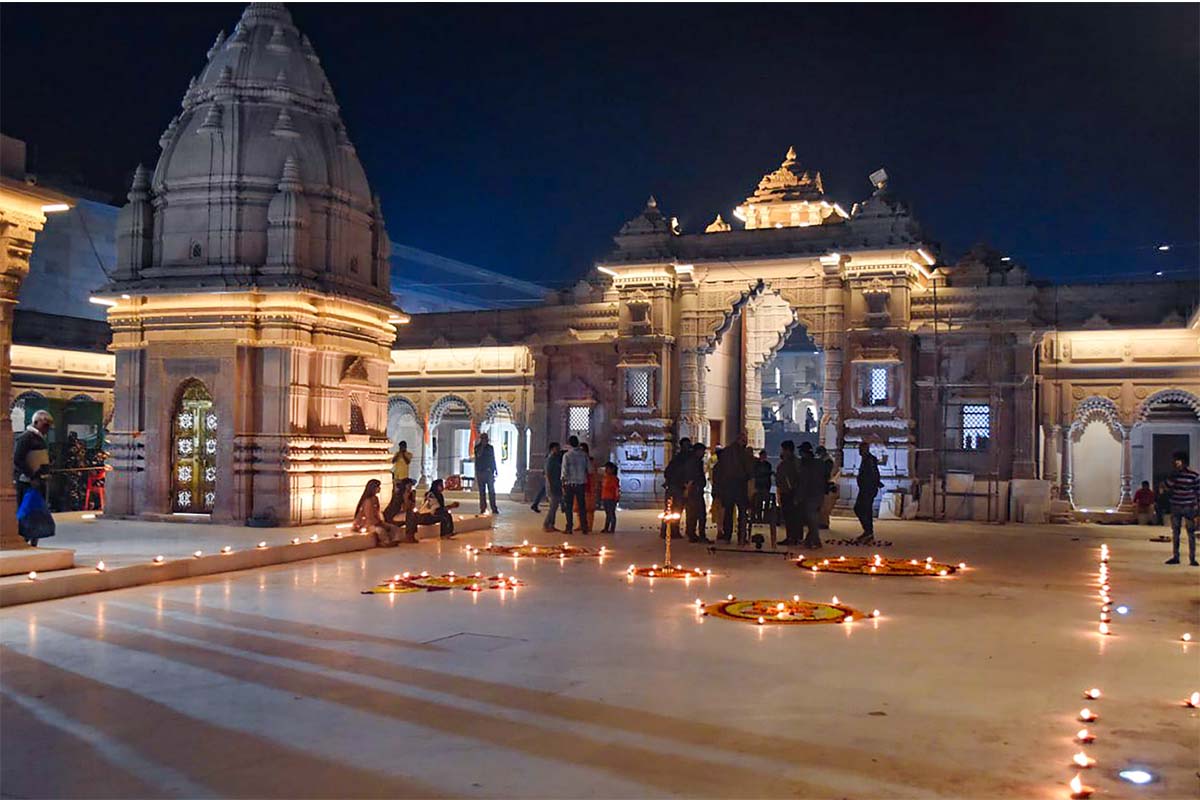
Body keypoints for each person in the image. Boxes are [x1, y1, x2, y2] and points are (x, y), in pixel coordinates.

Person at [14, 409, 53, 540]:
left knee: (36, 510)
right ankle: (24, 535)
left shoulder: (39, 438)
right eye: (45, 425)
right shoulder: (26, 437)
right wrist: (31, 475)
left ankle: (33, 536)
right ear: (36, 422)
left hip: (39, 480)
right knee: (26, 510)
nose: (47, 429)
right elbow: (18, 459)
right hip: (27, 481)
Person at [715, 431, 754, 544]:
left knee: (728, 512)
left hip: (728, 487)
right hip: (740, 486)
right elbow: (749, 470)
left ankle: (727, 536)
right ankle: (741, 537)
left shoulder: (726, 452)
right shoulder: (743, 453)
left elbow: (719, 470)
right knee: (742, 512)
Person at [1163, 451, 1199, 566]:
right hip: (1178, 506)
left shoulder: (1193, 475)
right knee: (1176, 533)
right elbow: (1167, 486)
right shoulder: (1175, 474)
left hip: (1187, 506)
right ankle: (1176, 556)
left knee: (1190, 533)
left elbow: (1198, 491)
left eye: (1176, 460)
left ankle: (1192, 558)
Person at [353, 479, 403, 546]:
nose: (380, 488)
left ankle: (394, 541)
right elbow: (369, 516)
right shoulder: (368, 501)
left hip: (376, 522)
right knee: (380, 530)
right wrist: (379, 524)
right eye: (378, 487)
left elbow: (377, 513)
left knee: (394, 528)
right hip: (367, 524)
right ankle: (385, 542)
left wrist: (381, 522)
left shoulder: (375, 499)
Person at [797, 442, 827, 549]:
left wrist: (799, 496)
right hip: (819, 493)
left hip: (810, 494)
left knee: (812, 518)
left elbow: (804, 482)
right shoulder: (819, 463)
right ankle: (810, 540)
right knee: (813, 517)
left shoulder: (806, 465)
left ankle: (815, 540)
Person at [660, 437, 691, 539]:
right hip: (678, 486)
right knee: (676, 510)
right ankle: (672, 530)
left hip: (673, 486)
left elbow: (668, 472)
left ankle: (666, 531)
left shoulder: (677, 458)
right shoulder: (684, 459)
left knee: (670, 510)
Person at [854, 441, 882, 544]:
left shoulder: (869, 460)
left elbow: (873, 475)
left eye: (861, 449)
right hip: (865, 489)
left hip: (867, 489)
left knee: (861, 509)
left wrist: (873, 486)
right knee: (865, 510)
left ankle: (868, 531)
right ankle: (868, 531)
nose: (859, 451)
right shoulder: (866, 459)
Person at [561, 435, 590, 534]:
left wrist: (563, 482)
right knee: (582, 506)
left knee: (568, 506)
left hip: (570, 483)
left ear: (569, 444)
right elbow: (589, 469)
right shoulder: (584, 455)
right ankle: (584, 527)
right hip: (581, 483)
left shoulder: (567, 456)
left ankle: (569, 527)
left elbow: (564, 471)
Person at [775, 440, 802, 546]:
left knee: (791, 516)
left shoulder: (792, 463)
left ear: (787, 450)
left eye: (783, 449)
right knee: (789, 516)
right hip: (787, 491)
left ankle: (793, 537)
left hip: (790, 492)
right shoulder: (791, 462)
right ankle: (792, 536)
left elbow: (796, 477)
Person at [684, 442, 710, 543]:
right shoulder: (695, 462)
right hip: (695, 490)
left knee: (693, 513)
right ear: (698, 451)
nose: (703, 453)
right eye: (702, 451)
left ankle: (692, 533)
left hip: (695, 489)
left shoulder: (693, 460)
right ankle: (698, 535)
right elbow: (692, 476)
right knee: (699, 513)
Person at [383, 478, 419, 542]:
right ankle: (409, 535)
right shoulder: (398, 495)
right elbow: (403, 508)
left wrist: (412, 498)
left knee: (414, 514)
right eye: (409, 486)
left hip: (403, 513)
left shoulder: (410, 494)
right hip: (394, 515)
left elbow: (411, 507)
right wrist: (405, 498)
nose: (410, 487)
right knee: (411, 515)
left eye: (411, 486)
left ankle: (411, 534)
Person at [540, 442, 563, 530]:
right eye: (557, 448)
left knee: (555, 506)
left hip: (557, 484)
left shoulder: (556, 459)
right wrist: (550, 485)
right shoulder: (550, 459)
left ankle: (551, 525)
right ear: (552, 449)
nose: (558, 450)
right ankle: (547, 524)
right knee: (553, 506)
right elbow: (548, 474)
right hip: (552, 485)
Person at [474, 433, 499, 514]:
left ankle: (494, 508)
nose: (486, 440)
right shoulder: (477, 448)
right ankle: (483, 508)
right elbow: (478, 455)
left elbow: (493, 459)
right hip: (480, 472)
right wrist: (482, 447)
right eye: (484, 439)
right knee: (482, 491)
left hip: (489, 472)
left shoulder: (490, 448)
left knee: (491, 491)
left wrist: (495, 469)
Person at [816, 445, 839, 529]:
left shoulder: (827, 461)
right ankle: (822, 522)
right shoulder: (827, 460)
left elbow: (825, 474)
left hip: (825, 485)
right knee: (823, 505)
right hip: (825, 484)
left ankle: (824, 523)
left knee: (824, 506)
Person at [752, 449, 773, 523]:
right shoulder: (758, 465)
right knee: (759, 503)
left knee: (764, 503)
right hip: (760, 486)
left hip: (764, 486)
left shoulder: (766, 465)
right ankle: (759, 518)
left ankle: (764, 518)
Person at [581, 443, 599, 531]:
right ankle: (581, 524)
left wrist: (594, 485)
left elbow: (593, 473)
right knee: (579, 507)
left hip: (589, 485)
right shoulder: (579, 460)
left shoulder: (591, 461)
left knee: (589, 508)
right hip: (581, 484)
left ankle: (589, 526)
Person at [600, 462, 620, 533]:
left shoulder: (614, 479)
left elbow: (617, 489)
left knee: (611, 513)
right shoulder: (605, 477)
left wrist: (617, 497)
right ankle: (606, 528)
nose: (606, 470)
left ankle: (612, 528)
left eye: (607, 468)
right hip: (605, 497)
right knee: (608, 513)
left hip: (611, 498)